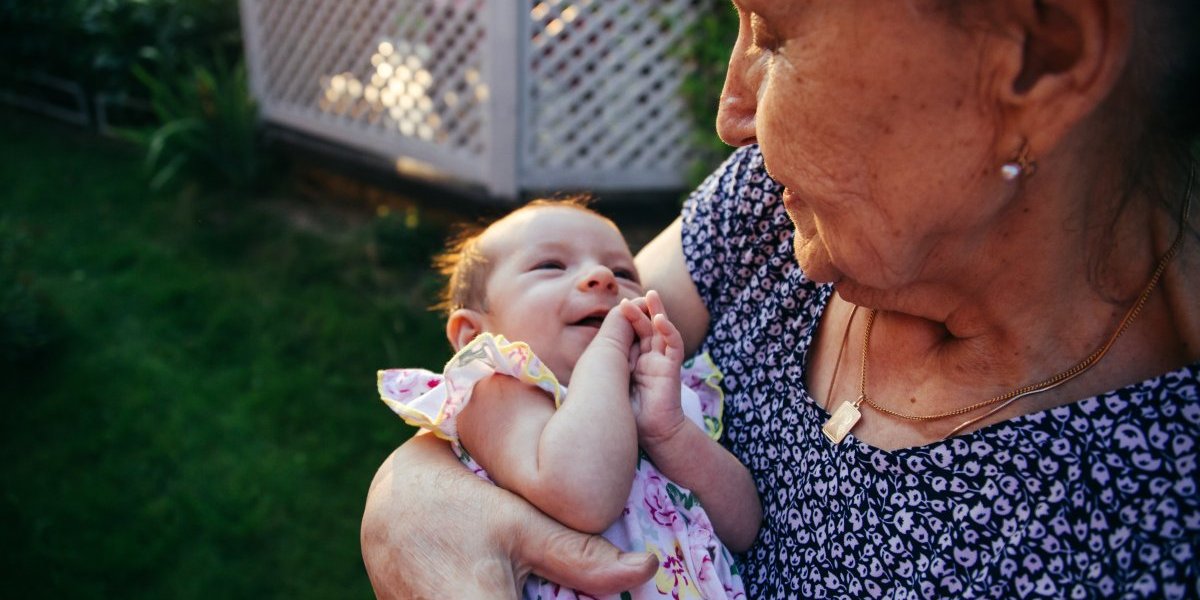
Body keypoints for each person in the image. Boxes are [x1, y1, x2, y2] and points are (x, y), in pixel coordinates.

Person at [362, 0, 1199, 597]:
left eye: (774, 31)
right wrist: (405, 505)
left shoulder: (1158, 517)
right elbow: (538, 355)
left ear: (1039, 55)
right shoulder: (783, 203)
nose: (733, 115)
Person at [374, 198, 760, 598]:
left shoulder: (665, 395)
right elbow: (584, 498)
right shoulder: (497, 389)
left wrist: (669, 432)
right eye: (551, 266)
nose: (602, 277)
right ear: (474, 336)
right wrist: (608, 351)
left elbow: (744, 526)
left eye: (624, 272)